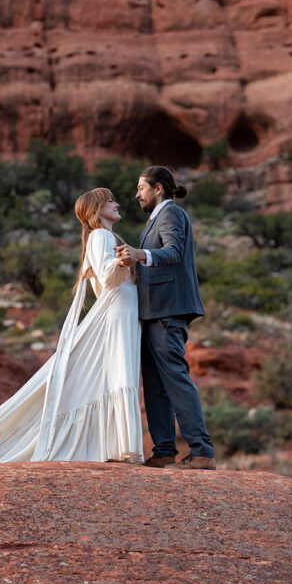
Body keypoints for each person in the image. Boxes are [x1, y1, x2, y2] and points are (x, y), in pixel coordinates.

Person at [0, 188, 143, 465]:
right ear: (96, 210)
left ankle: (117, 447)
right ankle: (120, 447)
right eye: (109, 201)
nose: (116, 204)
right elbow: (107, 275)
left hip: (120, 313)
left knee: (115, 376)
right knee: (119, 374)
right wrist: (126, 259)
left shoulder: (104, 236)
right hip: (116, 313)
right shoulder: (101, 235)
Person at [115, 165, 215, 470]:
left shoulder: (171, 214)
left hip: (168, 310)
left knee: (174, 377)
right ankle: (164, 451)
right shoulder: (154, 220)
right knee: (156, 384)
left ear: (158, 188)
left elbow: (173, 252)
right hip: (154, 311)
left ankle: (201, 451)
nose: (136, 194)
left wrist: (140, 255)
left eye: (141, 188)